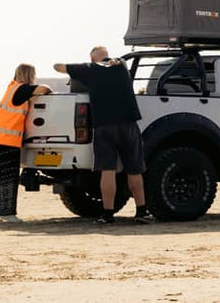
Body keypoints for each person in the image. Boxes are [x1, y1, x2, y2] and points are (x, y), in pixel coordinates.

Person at [54, 46, 152, 224]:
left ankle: (107, 214)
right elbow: (119, 62)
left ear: (93, 59)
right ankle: (141, 211)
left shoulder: (89, 69)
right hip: (128, 124)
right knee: (134, 170)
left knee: (107, 171)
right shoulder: (121, 66)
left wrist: (80, 68)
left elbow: (57, 66)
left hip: (104, 126)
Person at [0, 64, 51, 223]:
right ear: (29, 75)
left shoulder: (11, 88)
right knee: (9, 177)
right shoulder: (22, 89)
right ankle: (6, 212)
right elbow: (45, 89)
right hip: (9, 141)